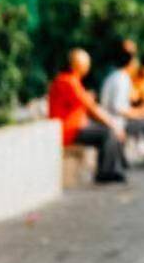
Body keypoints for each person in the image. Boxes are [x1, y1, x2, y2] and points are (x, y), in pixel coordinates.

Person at [48, 49, 127, 183]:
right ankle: (105, 172)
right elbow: (91, 107)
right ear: (78, 65)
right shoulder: (68, 82)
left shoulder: (71, 80)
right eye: (86, 64)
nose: (88, 67)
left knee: (107, 131)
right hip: (69, 131)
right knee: (107, 133)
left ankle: (114, 169)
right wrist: (113, 125)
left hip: (76, 127)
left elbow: (86, 104)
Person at [100, 47, 144, 170]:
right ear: (129, 63)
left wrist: (141, 110)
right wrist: (140, 113)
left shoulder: (115, 76)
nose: (136, 65)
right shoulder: (122, 79)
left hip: (114, 119)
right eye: (134, 61)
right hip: (116, 122)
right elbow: (118, 108)